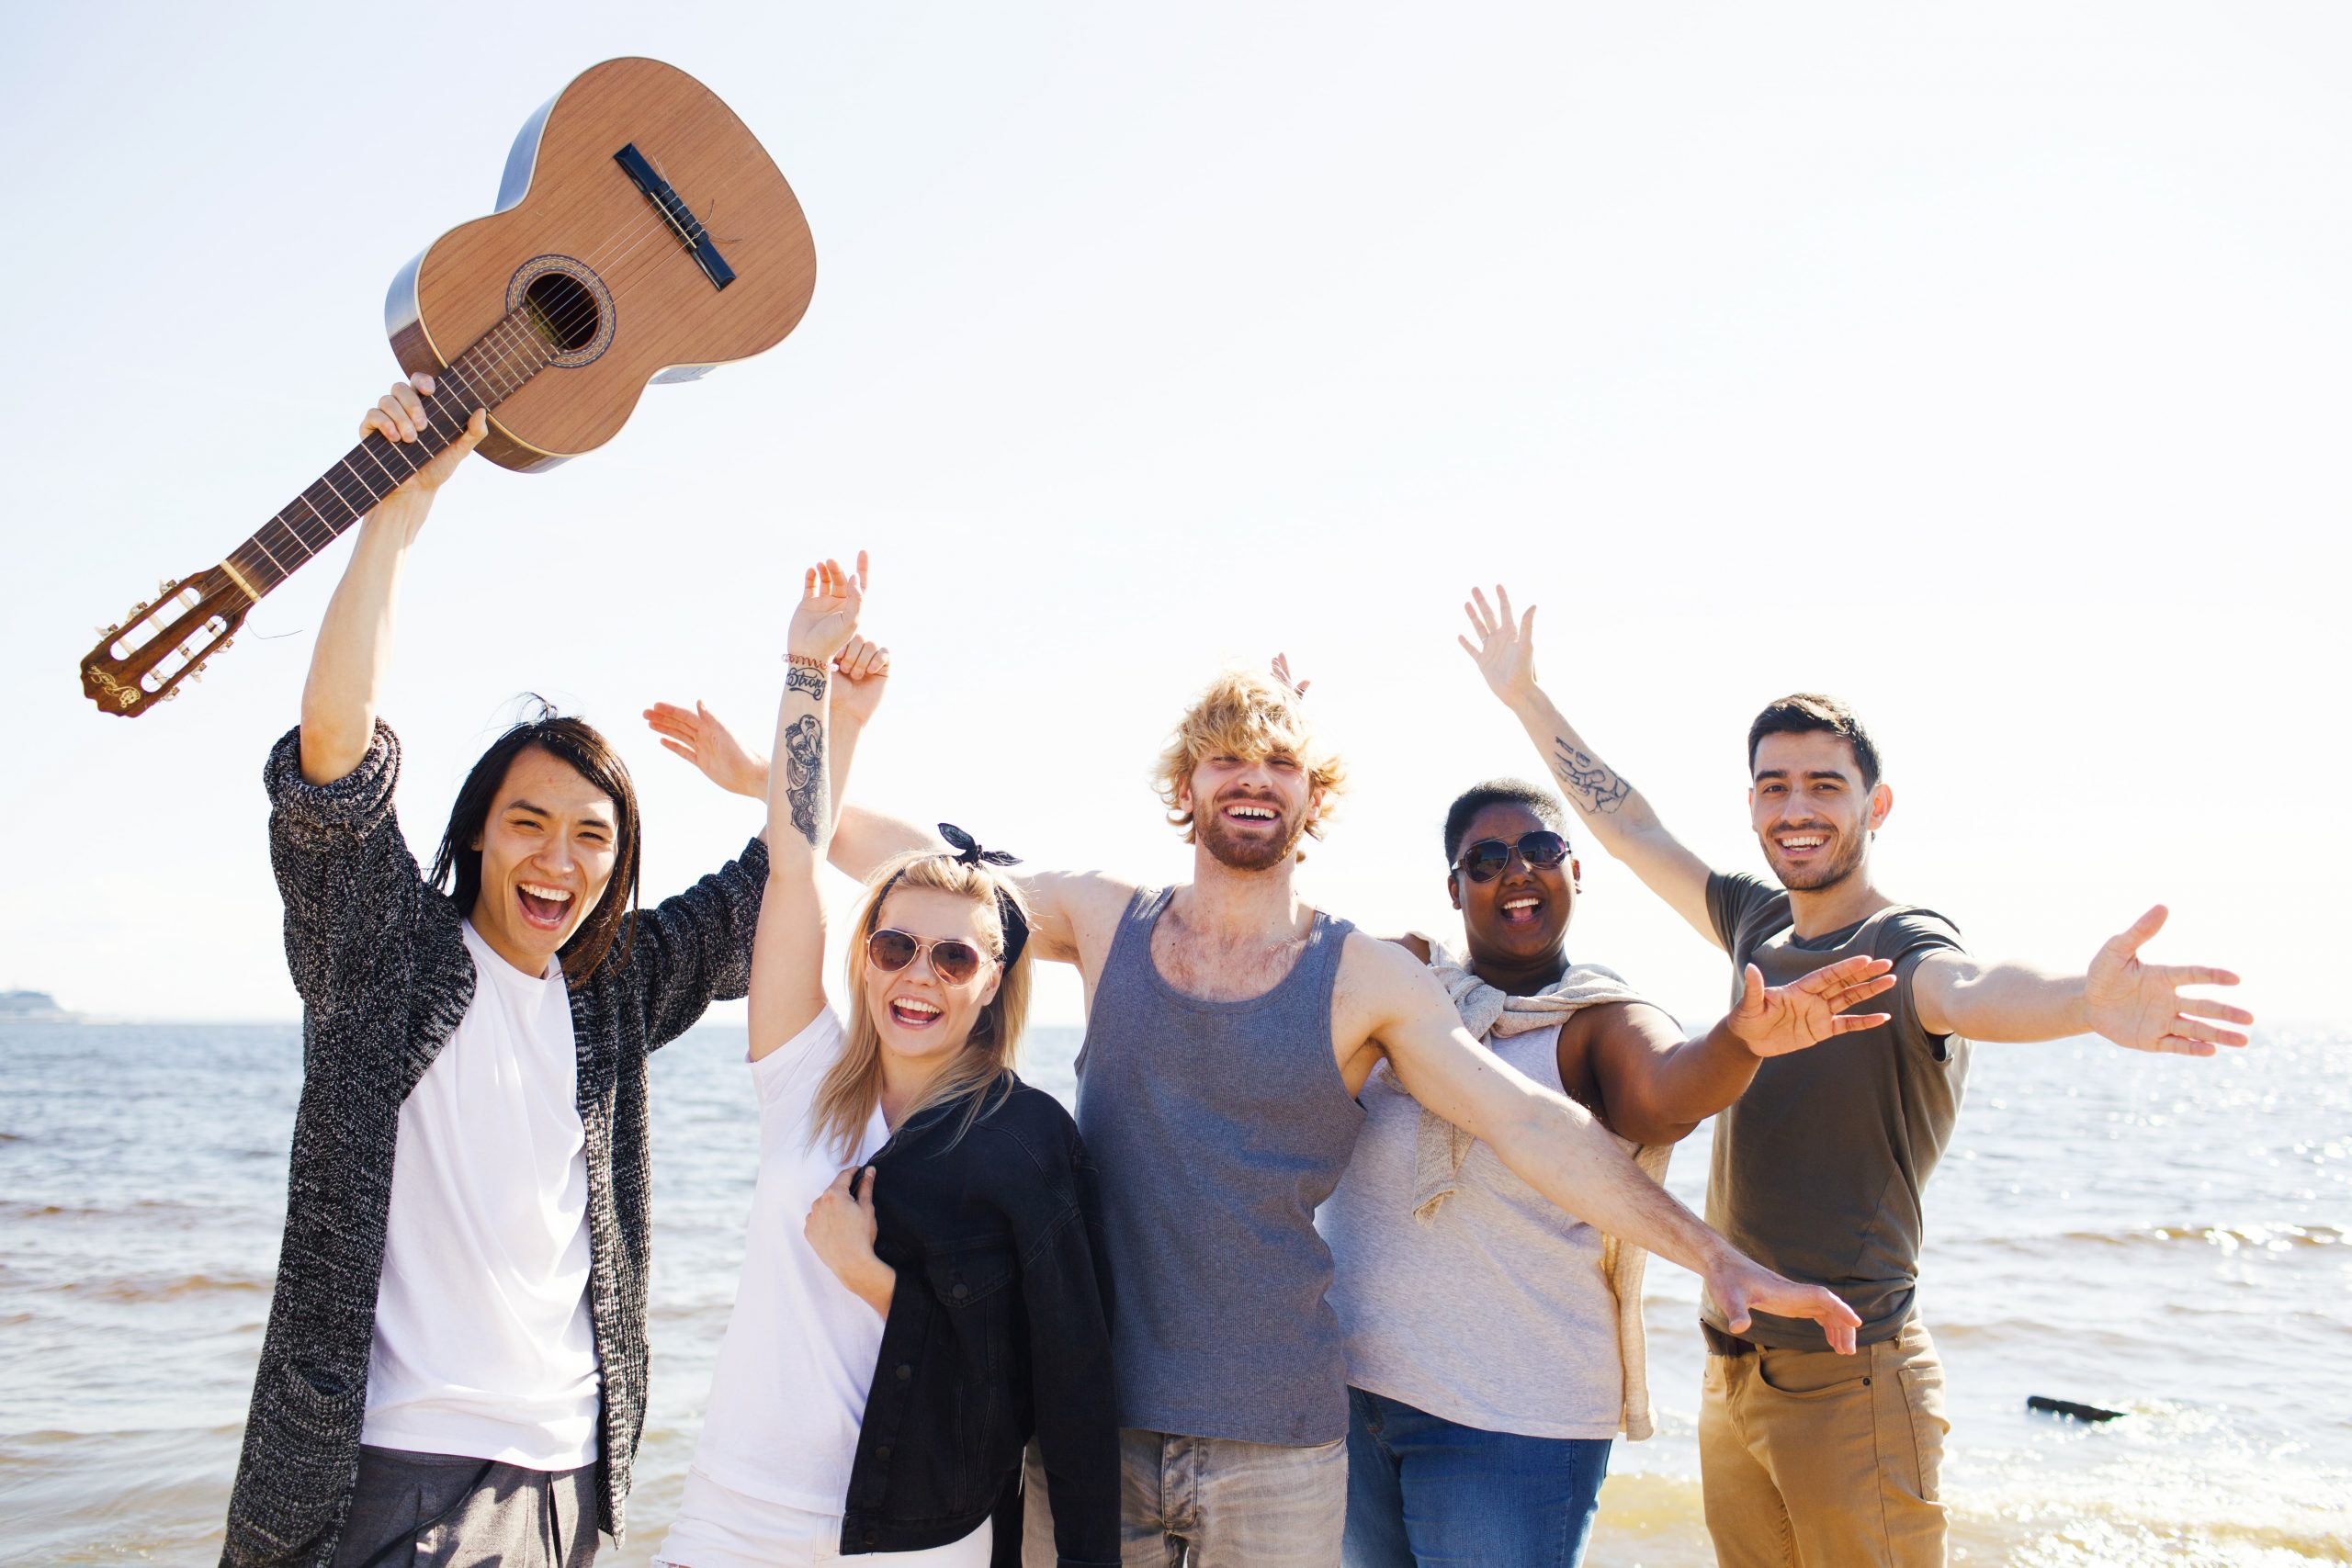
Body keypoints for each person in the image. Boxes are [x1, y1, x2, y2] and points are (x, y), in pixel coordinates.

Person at [639, 662, 1865, 1567]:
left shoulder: (1361, 977)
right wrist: (772, 778)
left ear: (1308, 796)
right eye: (1228, 755)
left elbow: (1527, 1123)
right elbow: (934, 876)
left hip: (1281, 1444)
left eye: (1279, 760)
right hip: (1090, 1419)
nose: (1253, 775)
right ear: (1189, 788)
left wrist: (1712, 1250)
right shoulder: (1107, 919)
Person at [1455, 583, 2254, 1568]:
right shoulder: (1757, 922)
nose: (1796, 809)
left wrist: (2082, 1005)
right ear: (1751, 804)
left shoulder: (1901, 943)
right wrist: (1525, 698)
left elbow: (1972, 990)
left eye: (1823, 786)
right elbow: (1630, 830)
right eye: (1774, 786)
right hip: (1732, 1371)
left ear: (1873, 804)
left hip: (1851, 1384)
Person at [223, 379, 778, 1568]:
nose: (559, 858)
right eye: (530, 821)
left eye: (593, 835)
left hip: (572, 1470)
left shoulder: (615, 988)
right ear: (477, 829)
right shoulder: (389, 957)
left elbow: (784, 877)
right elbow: (333, 751)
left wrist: (776, 760)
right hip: (388, 1465)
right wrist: (395, 514)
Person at [647, 560, 1118, 1568]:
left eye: (955, 956)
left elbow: (1053, 1378)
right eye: (895, 945)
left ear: (992, 982)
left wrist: (879, 1282)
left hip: (920, 1536)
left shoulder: (1030, 1142)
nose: (919, 975)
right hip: (735, 1511)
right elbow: (792, 858)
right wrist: (807, 677)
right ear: (862, 953)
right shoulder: (805, 1078)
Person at [1320, 776, 1895, 1568]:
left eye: (1539, 849)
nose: (1514, 869)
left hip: (1509, 1425)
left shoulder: (1600, 1020)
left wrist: (1740, 1042)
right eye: (1484, 859)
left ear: (1575, 870)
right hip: (1354, 1398)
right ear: (1454, 890)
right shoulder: (1407, 992)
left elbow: (1667, 1089)